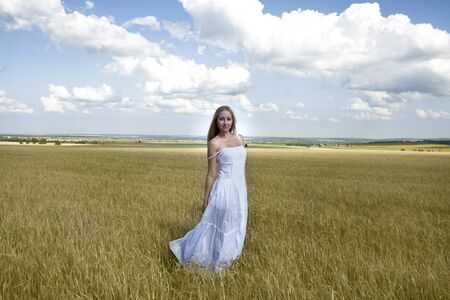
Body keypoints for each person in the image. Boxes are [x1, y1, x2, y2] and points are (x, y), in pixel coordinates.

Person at [169, 105, 248, 273]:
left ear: (232, 120)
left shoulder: (240, 138)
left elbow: (242, 168)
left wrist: (244, 189)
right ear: (216, 121)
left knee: (238, 224)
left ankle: (230, 258)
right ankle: (217, 263)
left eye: (228, 118)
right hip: (224, 190)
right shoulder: (214, 143)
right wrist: (205, 200)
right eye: (221, 119)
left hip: (239, 191)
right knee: (222, 227)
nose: (225, 122)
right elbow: (211, 173)